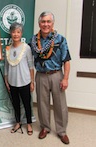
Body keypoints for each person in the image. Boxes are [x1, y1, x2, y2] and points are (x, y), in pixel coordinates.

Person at [30, 11, 71, 144]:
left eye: (48, 21)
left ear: (52, 23)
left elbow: (66, 60)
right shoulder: (33, 40)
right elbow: (29, 60)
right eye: (43, 21)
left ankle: (61, 131)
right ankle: (45, 127)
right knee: (42, 104)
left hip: (56, 75)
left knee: (60, 104)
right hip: (41, 75)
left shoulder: (60, 39)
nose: (45, 24)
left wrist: (65, 78)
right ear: (39, 23)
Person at [4, 22, 34, 135]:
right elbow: (6, 66)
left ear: (21, 33)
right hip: (12, 82)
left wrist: (32, 82)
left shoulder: (26, 48)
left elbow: (31, 65)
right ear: (10, 33)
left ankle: (29, 124)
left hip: (25, 81)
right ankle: (18, 122)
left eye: (18, 32)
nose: (15, 34)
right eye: (13, 32)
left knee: (27, 104)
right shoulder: (8, 49)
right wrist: (6, 81)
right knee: (15, 104)